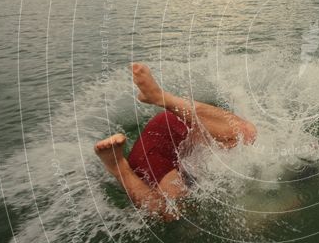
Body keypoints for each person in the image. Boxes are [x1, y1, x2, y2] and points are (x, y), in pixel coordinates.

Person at [94, 63, 257, 221]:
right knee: (172, 213)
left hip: (175, 127)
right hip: (157, 147)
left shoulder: (233, 153)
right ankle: (117, 165)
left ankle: (161, 97)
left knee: (247, 133)